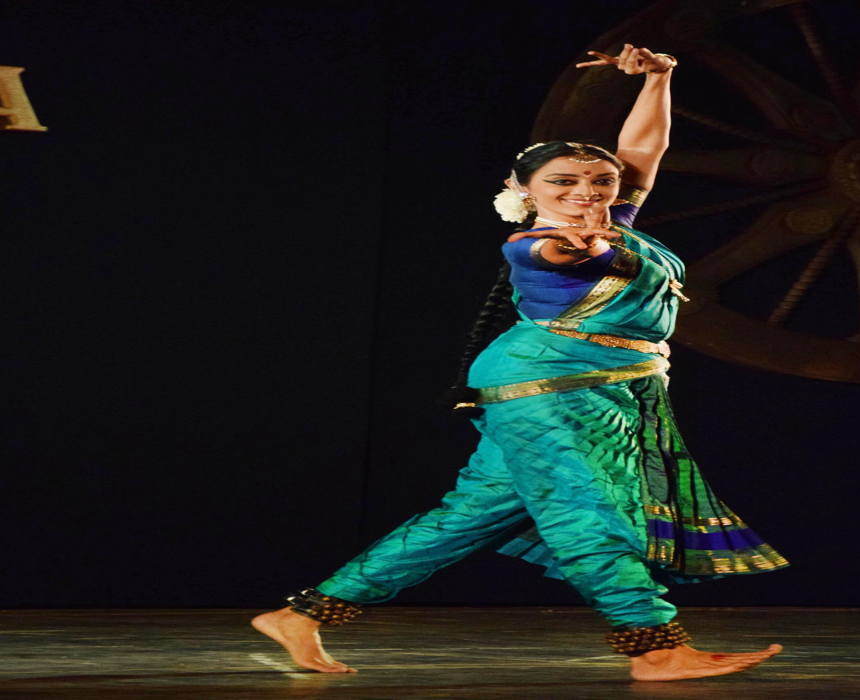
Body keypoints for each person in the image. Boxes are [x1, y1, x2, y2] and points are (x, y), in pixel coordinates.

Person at [253, 44, 789, 682]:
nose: (586, 192)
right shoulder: (535, 244)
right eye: (563, 183)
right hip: (552, 389)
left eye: (600, 181)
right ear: (523, 191)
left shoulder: (615, 218)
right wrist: (578, 240)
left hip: (599, 387)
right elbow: (564, 257)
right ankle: (654, 650)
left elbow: (645, 151)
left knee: (470, 516)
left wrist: (659, 79)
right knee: (588, 510)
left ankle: (306, 614)